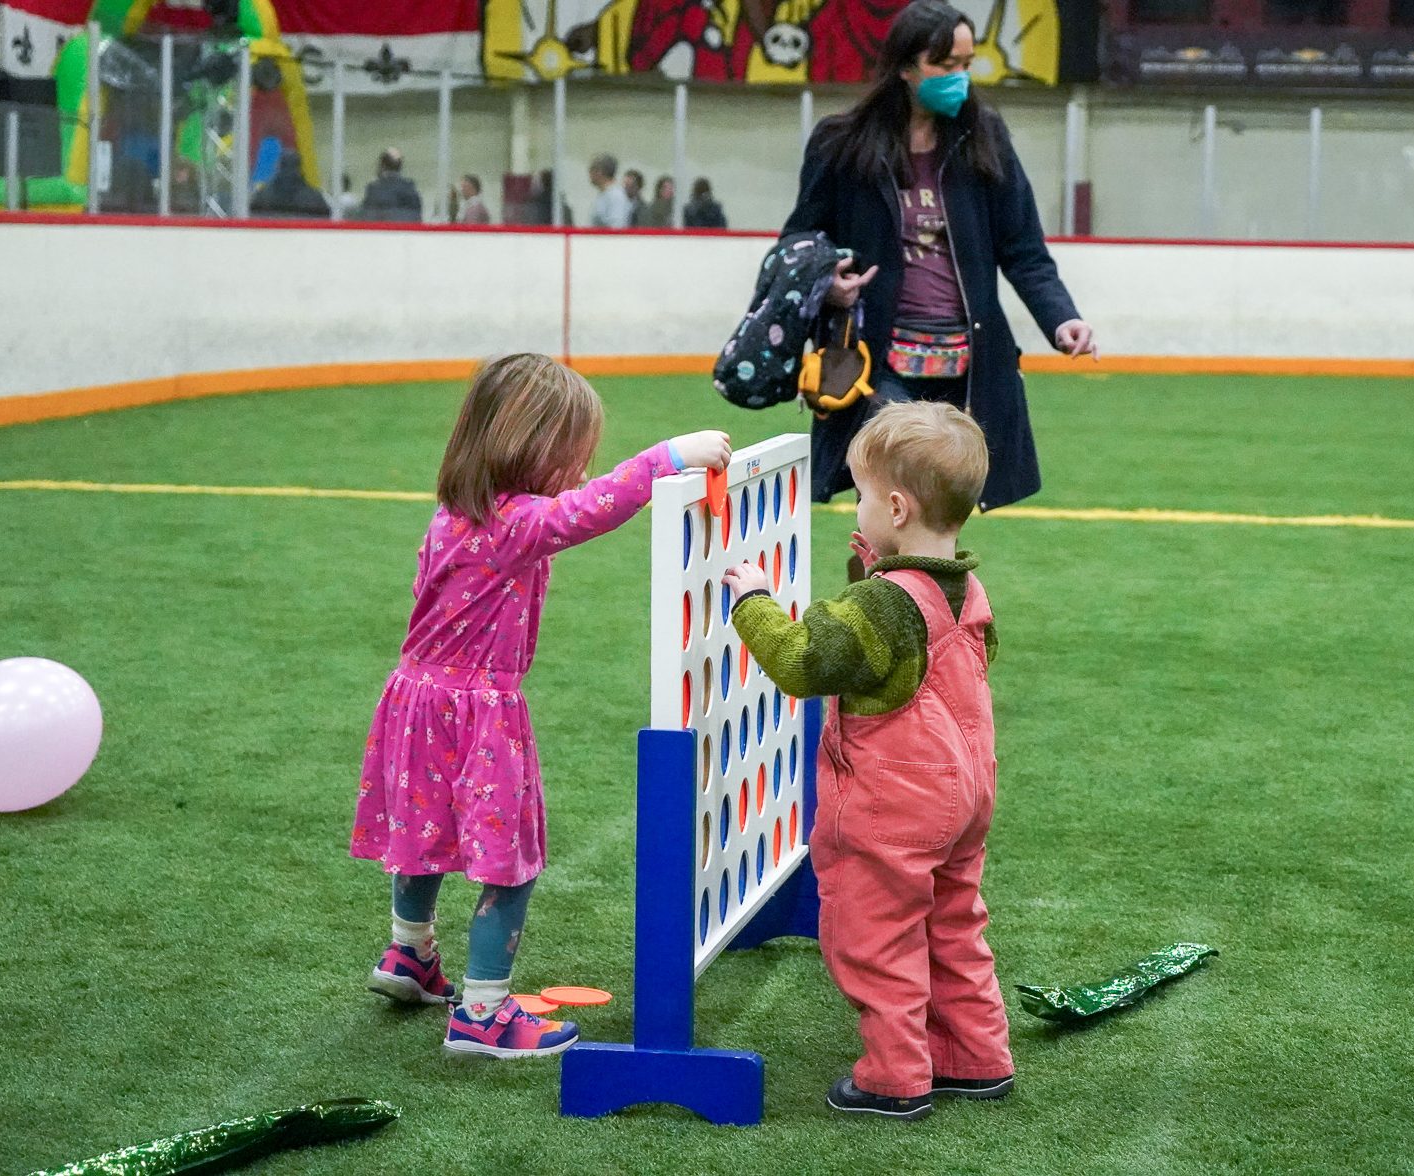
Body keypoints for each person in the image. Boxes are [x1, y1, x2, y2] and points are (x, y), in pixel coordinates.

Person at [351, 353, 731, 1057]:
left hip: (414, 698)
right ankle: (484, 1015)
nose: (583, 472)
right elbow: (592, 510)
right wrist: (668, 457)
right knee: (509, 861)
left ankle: (409, 954)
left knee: (423, 836)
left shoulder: (453, 517)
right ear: (527, 450)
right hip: (478, 711)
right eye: (572, 457)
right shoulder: (516, 524)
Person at [723, 400, 1010, 1121]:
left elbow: (802, 659)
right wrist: (871, 567)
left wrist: (754, 602)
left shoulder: (879, 605)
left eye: (860, 494)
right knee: (952, 924)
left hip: (894, 804)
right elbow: (925, 648)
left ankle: (894, 1076)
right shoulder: (965, 585)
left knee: (875, 939)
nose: (857, 506)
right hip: (965, 791)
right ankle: (976, 1057)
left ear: (896, 505)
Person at [783, 0, 1095, 549]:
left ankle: (927, 618)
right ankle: (876, 607)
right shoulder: (841, 143)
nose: (959, 78)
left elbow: (1023, 247)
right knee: (885, 506)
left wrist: (1062, 318)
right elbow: (800, 240)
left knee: (941, 517)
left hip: (968, 363)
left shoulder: (986, 137)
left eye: (966, 64)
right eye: (944, 64)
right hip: (875, 359)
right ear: (905, 66)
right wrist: (826, 282)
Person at [250, 150, 331, 220]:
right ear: (299, 168)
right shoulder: (314, 197)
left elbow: (252, 217)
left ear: (278, 166)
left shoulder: (263, 195)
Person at [360, 148, 423, 223]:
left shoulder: (374, 189)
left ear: (382, 166)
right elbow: (417, 216)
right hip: (405, 232)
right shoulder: (409, 187)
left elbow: (366, 218)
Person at [588, 153, 632, 228]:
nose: (589, 174)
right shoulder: (604, 195)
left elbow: (616, 227)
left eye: (591, 170)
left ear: (599, 172)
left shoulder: (616, 196)